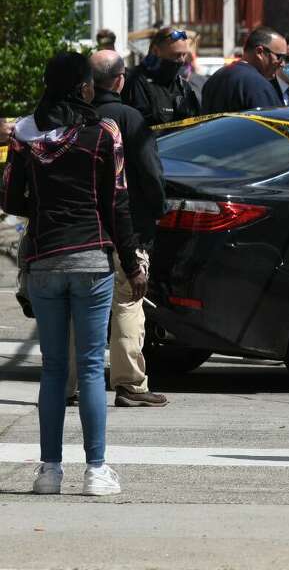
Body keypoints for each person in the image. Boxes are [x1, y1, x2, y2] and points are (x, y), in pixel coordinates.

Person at [2, 52, 145, 496]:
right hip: (91, 260)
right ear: (84, 86)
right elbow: (116, 203)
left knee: (52, 369)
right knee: (89, 367)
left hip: (44, 259)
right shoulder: (103, 133)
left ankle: (49, 471)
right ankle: (96, 471)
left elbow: (10, 198)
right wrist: (133, 261)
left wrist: (44, 210)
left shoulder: (26, 132)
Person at [70, 51, 168, 408]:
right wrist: (157, 210)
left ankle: (66, 385)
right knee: (128, 303)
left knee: (74, 310)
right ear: (120, 80)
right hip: (126, 231)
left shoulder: (70, 117)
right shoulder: (129, 118)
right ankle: (130, 385)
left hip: (77, 232)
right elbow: (151, 174)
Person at [123, 27, 202, 127]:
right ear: (156, 51)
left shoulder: (183, 86)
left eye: (184, 55)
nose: (181, 60)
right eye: (176, 55)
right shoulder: (134, 81)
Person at [201, 27, 288, 114]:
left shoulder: (214, 79)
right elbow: (269, 124)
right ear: (259, 52)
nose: (282, 64)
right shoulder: (257, 85)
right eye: (279, 57)